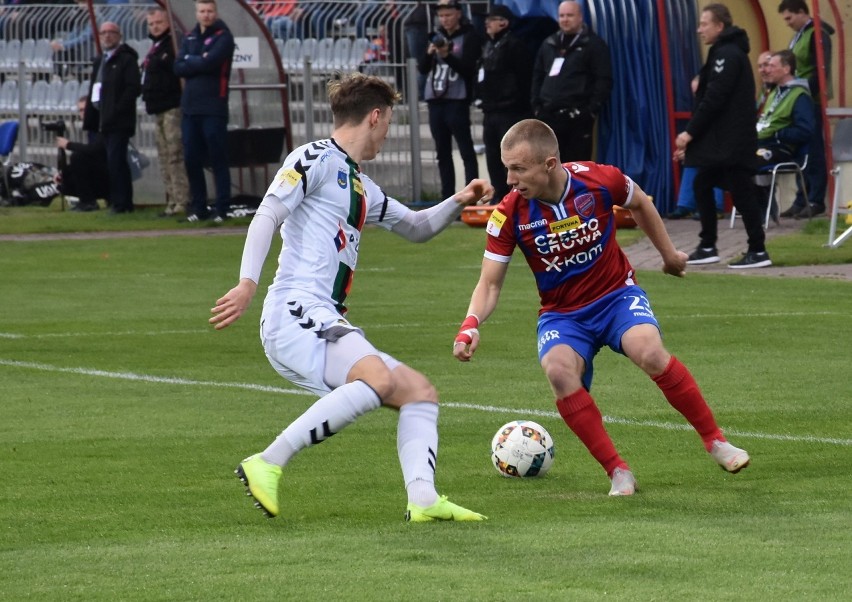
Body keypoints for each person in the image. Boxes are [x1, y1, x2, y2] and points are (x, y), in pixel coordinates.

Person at [209, 72, 490, 523]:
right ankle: (268, 461)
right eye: (389, 122)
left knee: (419, 392)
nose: (387, 132)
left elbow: (416, 228)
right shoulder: (314, 158)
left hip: (323, 318)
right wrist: (247, 283)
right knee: (377, 377)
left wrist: (459, 199)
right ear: (374, 117)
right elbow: (267, 214)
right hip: (295, 308)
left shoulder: (360, 185)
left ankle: (422, 498)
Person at [453, 118, 751, 497]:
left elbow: (640, 201)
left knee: (650, 351)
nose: (509, 180)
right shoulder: (509, 214)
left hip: (616, 296)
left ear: (549, 164)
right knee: (559, 372)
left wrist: (669, 255)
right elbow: (490, 282)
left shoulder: (598, 179)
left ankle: (716, 443)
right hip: (563, 314)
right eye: (506, 167)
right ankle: (618, 472)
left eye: (518, 168)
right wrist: (470, 323)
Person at [674, 4, 770, 269]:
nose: (699, 29)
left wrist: (689, 133)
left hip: (733, 143)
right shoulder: (724, 52)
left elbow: (714, 98)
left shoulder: (727, 54)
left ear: (719, 26)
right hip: (724, 142)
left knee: (740, 192)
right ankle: (708, 246)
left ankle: (758, 249)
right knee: (703, 183)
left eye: (704, 24)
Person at [174, 0, 235, 223]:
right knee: (191, 158)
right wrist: (198, 60)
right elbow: (178, 66)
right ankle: (199, 207)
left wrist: (192, 61)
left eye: (209, 11)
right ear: (197, 13)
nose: (206, 15)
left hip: (213, 107)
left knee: (218, 157)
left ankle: (222, 208)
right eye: (202, 11)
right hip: (190, 108)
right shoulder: (190, 36)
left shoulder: (223, 36)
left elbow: (210, 64)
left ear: (215, 12)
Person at [530, 1, 612, 163]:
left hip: (577, 119)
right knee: (550, 166)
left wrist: (590, 111)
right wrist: (537, 107)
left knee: (576, 167)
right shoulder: (549, 43)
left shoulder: (593, 45)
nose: (565, 19)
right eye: (561, 16)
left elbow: (604, 80)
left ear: (580, 17)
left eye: (570, 15)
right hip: (549, 117)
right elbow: (537, 76)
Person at [417, 0, 481, 200]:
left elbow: (469, 69)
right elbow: (423, 69)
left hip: (457, 99)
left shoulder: (470, 35)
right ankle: (447, 199)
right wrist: (429, 54)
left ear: (458, 14)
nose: (444, 20)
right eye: (441, 16)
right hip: (435, 100)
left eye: (448, 15)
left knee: (466, 151)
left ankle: (471, 197)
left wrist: (448, 55)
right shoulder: (437, 35)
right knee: (442, 153)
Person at [777, 0, 833, 219]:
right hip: (798, 97)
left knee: (814, 150)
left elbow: (821, 68)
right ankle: (802, 198)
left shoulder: (816, 34)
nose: (788, 23)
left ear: (802, 13)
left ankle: (816, 198)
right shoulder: (799, 34)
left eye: (789, 18)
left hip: (811, 98)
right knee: (802, 151)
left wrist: (804, 87)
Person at [474, 4, 531, 202]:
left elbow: (524, 79)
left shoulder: (515, 45)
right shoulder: (489, 45)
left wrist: (516, 102)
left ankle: (515, 196)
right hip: (490, 111)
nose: (486, 24)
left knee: (510, 156)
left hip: (510, 111)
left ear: (503, 23)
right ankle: (500, 196)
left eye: (491, 20)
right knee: (493, 156)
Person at [83, 20, 140, 214]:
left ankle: (121, 202)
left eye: (111, 32)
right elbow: (94, 87)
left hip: (118, 120)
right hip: (102, 118)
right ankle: (119, 201)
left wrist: (117, 110)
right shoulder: (100, 60)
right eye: (104, 33)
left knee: (116, 161)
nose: (107, 36)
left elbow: (133, 88)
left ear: (119, 36)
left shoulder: (126, 59)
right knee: (113, 161)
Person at [754, 49, 815, 219]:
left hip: (781, 148)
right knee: (731, 159)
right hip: (762, 143)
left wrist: (778, 134)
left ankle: (762, 211)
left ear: (786, 69)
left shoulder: (800, 96)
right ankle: (759, 210)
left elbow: (805, 131)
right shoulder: (774, 92)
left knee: (749, 161)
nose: (767, 70)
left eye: (772, 66)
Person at [141, 6, 190, 217]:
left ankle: (182, 200)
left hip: (172, 107)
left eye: (159, 23)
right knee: (163, 156)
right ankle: (171, 200)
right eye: (151, 24)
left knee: (174, 155)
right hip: (158, 108)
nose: (155, 27)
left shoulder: (174, 45)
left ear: (168, 22)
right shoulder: (155, 47)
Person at [56, 96, 109, 212]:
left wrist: (69, 145)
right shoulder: (91, 128)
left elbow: (95, 150)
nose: (83, 113)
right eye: (80, 110)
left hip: (109, 174)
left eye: (85, 110)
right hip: (99, 171)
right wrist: (63, 173)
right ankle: (85, 200)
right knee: (65, 177)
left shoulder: (102, 126)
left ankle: (89, 202)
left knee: (78, 157)